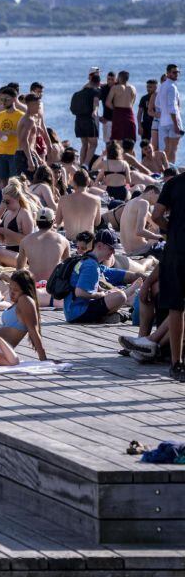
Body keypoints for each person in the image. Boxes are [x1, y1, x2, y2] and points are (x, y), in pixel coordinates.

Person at [65, 230, 143, 324]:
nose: (113, 252)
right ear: (99, 246)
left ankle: (106, 316)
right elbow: (80, 292)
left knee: (117, 293)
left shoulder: (87, 260)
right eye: (111, 248)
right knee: (120, 297)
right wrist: (101, 295)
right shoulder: (91, 265)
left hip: (73, 310)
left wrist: (105, 292)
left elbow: (92, 286)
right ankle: (104, 317)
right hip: (78, 313)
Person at [152, 172, 185, 380]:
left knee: (176, 307)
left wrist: (171, 229)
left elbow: (155, 215)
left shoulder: (173, 184)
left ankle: (176, 363)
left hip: (177, 249)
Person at [0, 88, 24, 218]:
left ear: (14, 99)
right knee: (2, 181)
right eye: (2, 99)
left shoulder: (20, 115)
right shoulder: (1, 114)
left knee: (14, 183)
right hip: (1, 151)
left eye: (7, 99)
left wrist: (12, 133)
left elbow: (24, 135)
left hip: (14, 153)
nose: (4, 101)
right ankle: (5, 208)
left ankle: (18, 208)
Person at [0, 179, 36, 268]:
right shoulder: (8, 213)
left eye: (7, 201)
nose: (5, 204)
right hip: (9, 252)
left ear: (17, 199)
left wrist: (6, 232)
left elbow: (28, 240)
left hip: (23, 256)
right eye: (3, 201)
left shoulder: (24, 213)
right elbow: (3, 240)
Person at [16, 207, 70, 282]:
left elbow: (19, 268)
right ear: (53, 221)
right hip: (53, 284)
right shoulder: (63, 240)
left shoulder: (25, 240)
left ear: (36, 222)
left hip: (33, 283)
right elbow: (68, 266)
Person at [55, 170, 102, 240]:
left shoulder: (63, 199)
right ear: (88, 182)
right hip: (87, 242)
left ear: (73, 182)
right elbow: (97, 223)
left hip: (70, 241)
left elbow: (58, 221)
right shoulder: (96, 200)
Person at [119, 185, 164, 256]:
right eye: (158, 198)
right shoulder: (144, 203)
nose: (158, 202)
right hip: (140, 250)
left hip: (128, 250)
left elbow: (156, 225)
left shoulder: (131, 202)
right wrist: (161, 238)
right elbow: (139, 231)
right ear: (151, 192)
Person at [155, 64, 181, 164]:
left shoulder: (162, 86)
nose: (176, 75)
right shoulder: (172, 87)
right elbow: (172, 107)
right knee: (173, 150)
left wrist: (164, 111)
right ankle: (172, 173)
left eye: (177, 72)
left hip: (163, 122)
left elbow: (157, 103)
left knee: (166, 150)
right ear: (168, 73)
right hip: (172, 122)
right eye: (174, 72)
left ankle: (165, 170)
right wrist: (176, 124)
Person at [108, 70, 138, 142]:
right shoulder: (133, 88)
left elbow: (108, 102)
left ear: (119, 78)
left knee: (117, 139)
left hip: (118, 113)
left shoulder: (115, 88)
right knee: (130, 139)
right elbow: (132, 102)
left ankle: (118, 152)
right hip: (129, 113)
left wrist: (115, 109)